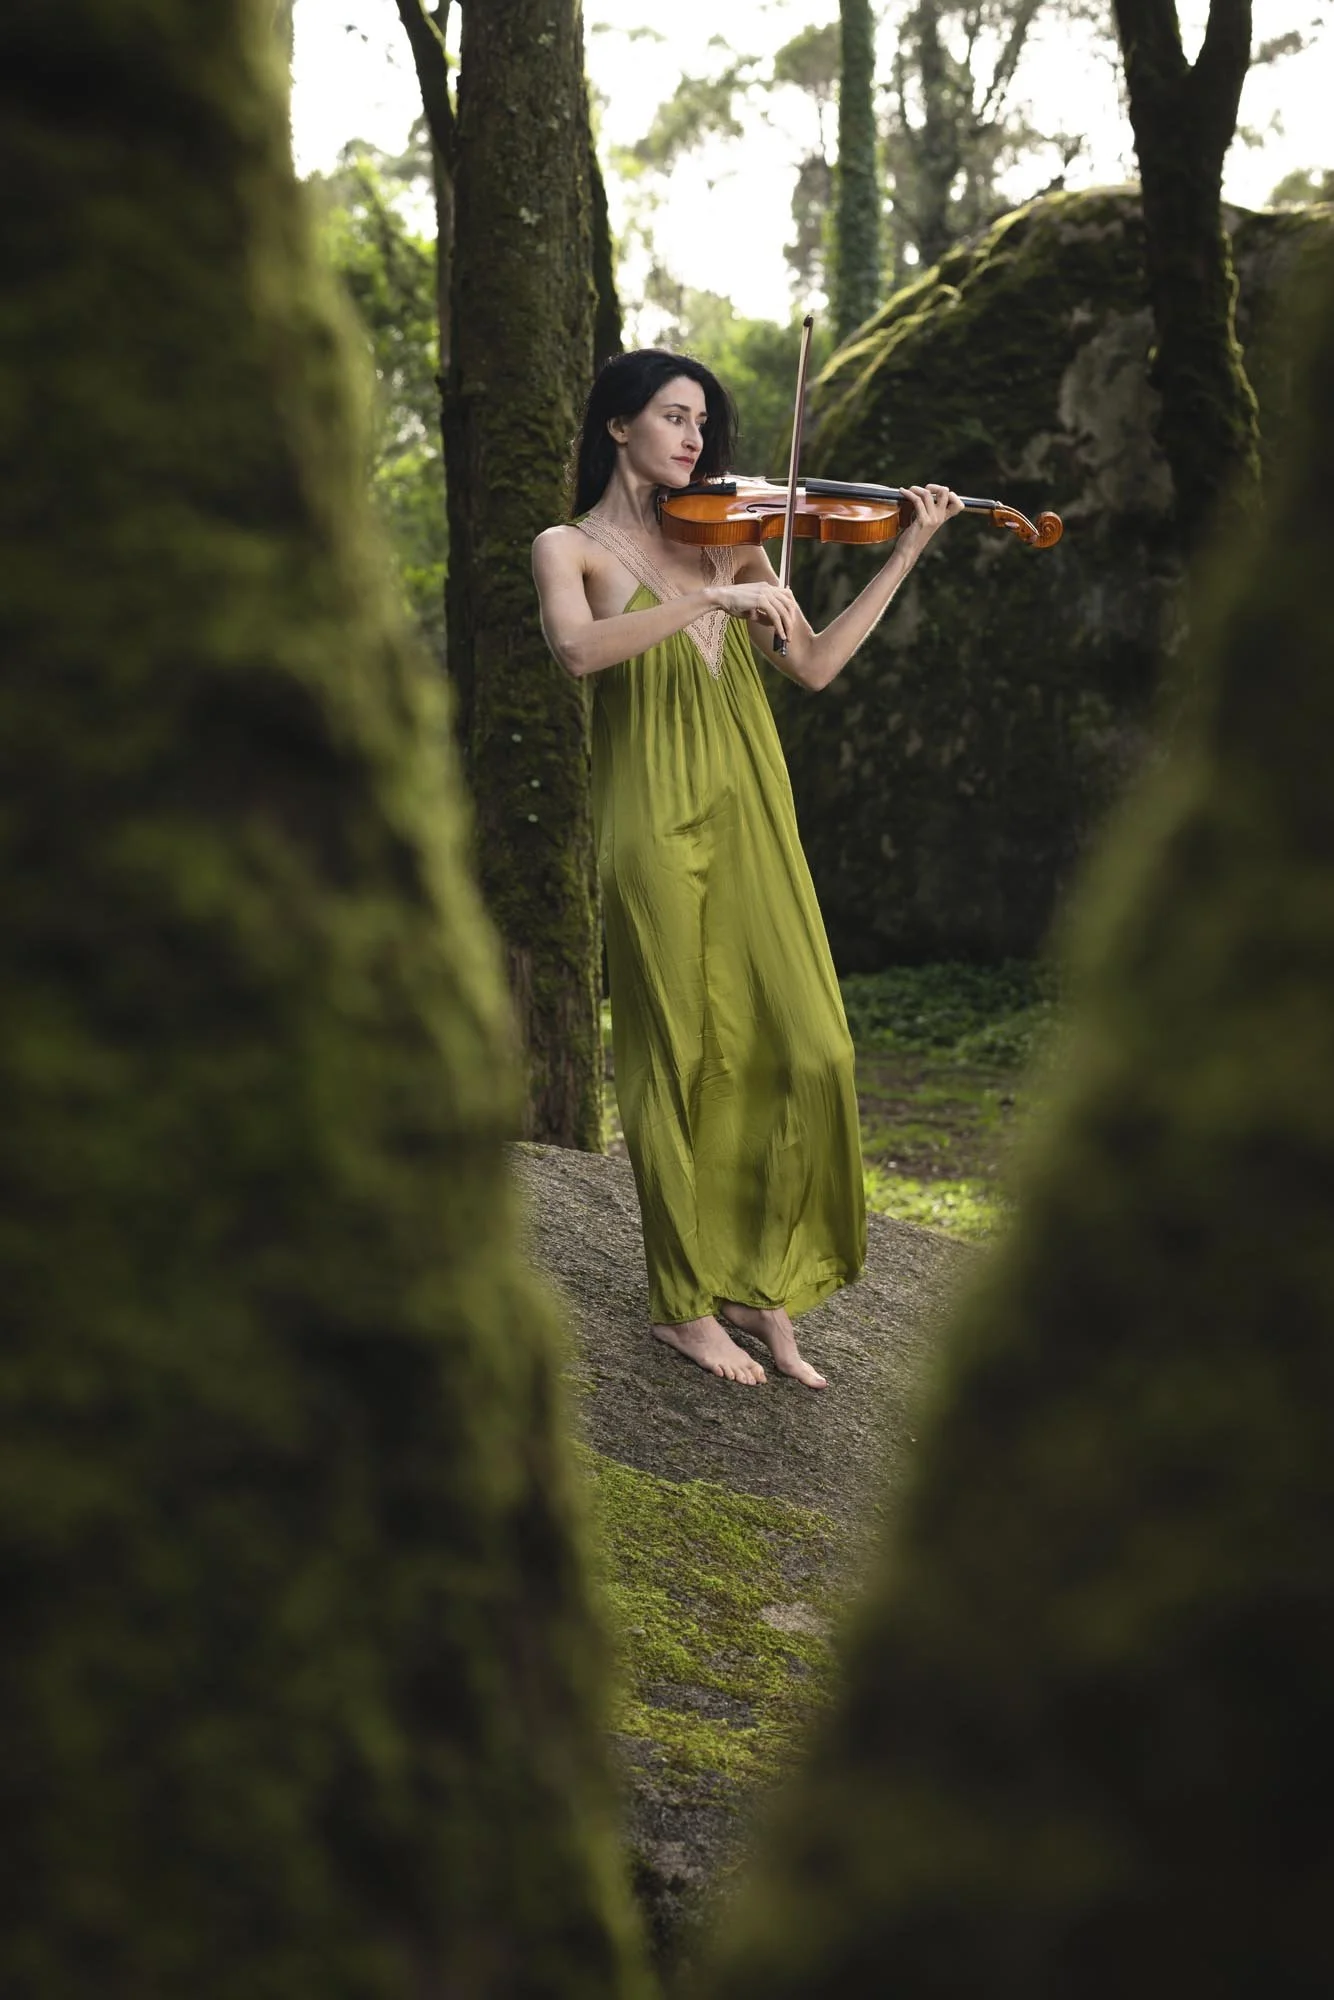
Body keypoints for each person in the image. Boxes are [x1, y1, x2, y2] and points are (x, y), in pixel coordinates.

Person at [532, 349, 963, 1390]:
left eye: (701, 422)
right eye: (673, 417)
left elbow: (811, 665)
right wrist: (698, 608)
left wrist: (903, 549)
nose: (693, 437)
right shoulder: (568, 544)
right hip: (651, 816)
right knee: (677, 1047)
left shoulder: (730, 540)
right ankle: (683, 1301)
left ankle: (755, 1278)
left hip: (751, 808)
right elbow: (579, 652)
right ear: (615, 427)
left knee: (806, 1045)